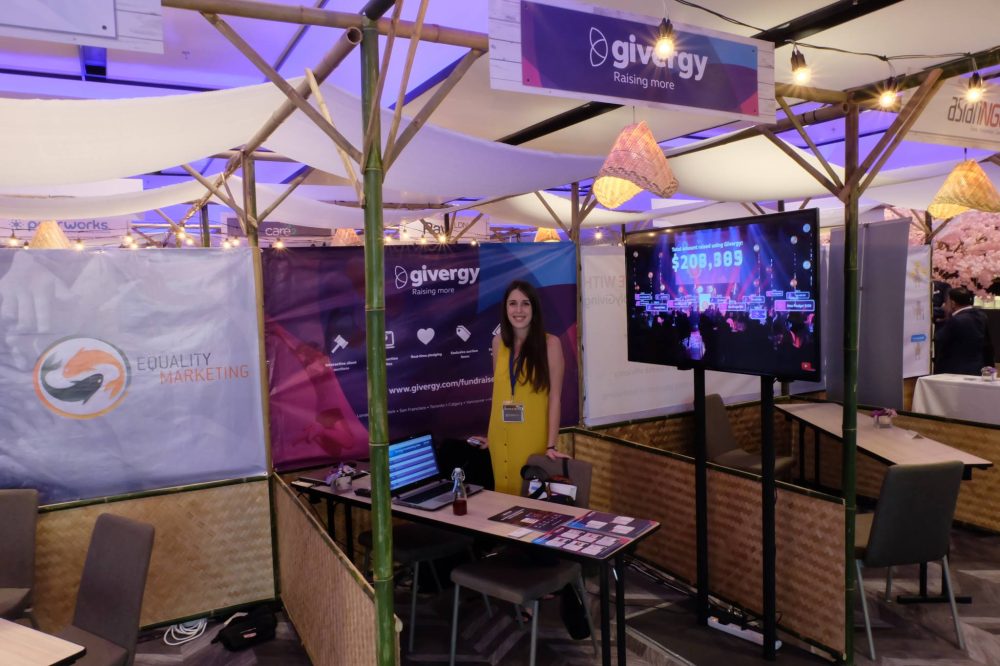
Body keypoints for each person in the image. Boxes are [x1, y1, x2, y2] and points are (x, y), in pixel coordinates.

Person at [475, 280, 568, 495]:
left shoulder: (551, 344)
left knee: (529, 500)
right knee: (502, 498)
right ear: (505, 308)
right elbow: (499, 394)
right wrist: (491, 436)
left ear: (534, 309)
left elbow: (555, 398)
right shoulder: (498, 342)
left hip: (531, 439)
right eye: (513, 303)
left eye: (525, 304)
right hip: (499, 440)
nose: (519, 310)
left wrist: (551, 445)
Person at [934, 286, 995, 375]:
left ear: (953, 303)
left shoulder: (955, 320)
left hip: (954, 371)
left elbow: (938, 338)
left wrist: (944, 318)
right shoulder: (981, 316)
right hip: (977, 368)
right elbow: (987, 345)